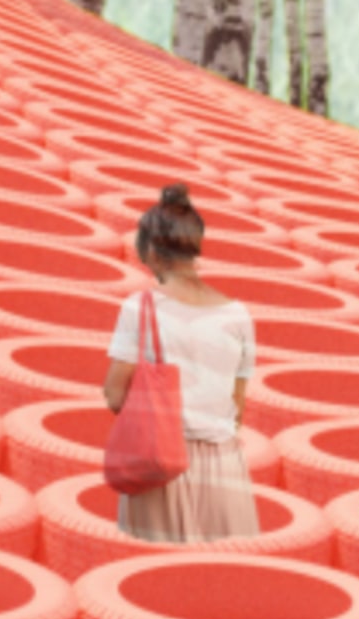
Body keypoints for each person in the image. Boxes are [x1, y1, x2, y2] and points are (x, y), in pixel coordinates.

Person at [103, 185, 261, 542]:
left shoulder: (139, 308)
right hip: (226, 470)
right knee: (222, 569)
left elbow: (115, 395)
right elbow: (237, 406)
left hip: (160, 464)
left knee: (159, 570)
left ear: (151, 252)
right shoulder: (238, 315)